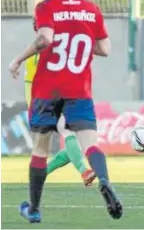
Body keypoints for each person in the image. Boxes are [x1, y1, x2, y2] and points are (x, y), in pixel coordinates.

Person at [9, 0, 123, 222]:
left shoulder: (47, 7)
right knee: (90, 144)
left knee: (39, 149)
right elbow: (105, 48)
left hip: (48, 90)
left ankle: (34, 210)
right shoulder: (91, 10)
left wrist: (17, 59)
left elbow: (44, 38)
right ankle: (104, 181)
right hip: (79, 89)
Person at [25, 42, 95, 187]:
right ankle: (84, 172)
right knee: (68, 132)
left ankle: (42, 173)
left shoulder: (63, 50)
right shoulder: (36, 55)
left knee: (74, 143)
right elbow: (29, 81)